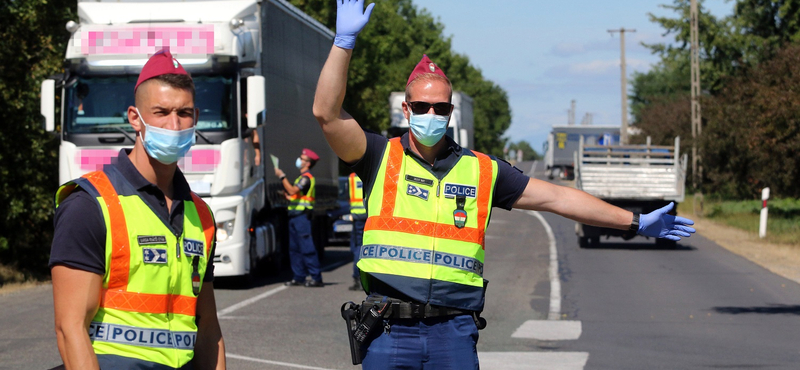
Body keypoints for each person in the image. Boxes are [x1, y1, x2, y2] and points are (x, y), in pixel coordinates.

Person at [313, 1, 696, 368]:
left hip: (453, 331)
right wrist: (343, 43)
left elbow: (559, 198)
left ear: (451, 112)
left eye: (441, 108)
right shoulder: (379, 155)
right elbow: (327, 115)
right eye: (422, 107)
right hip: (389, 329)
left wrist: (634, 221)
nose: (432, 115)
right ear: (406, 109)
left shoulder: (482, 170)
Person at [49, 50, 226, 369]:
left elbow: (208, 329)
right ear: (135, 118)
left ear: (196, 117)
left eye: (184, 113)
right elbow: (70, 328)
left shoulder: (201, 216)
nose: (174, 125)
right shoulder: (90, 204)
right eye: (161, 112)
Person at [274, 148, 324, 287]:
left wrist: (282, 176)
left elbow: (292, 190)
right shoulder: (300, 178)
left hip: (302, 217)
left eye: (302, 159)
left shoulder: (306, 178)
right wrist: (287, 197)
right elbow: (294, 195)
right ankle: (299, 276)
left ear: (308, 163)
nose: (299, 160)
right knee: (294, 249)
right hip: (295, 216)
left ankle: (316, 277)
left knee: (307, 248)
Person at [346, 172, 367, 291]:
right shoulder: (373, 169)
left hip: (356, 216)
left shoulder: (352, 177)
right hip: (370, 213)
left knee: (358, 247)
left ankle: (357, 279)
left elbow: (348, 197)